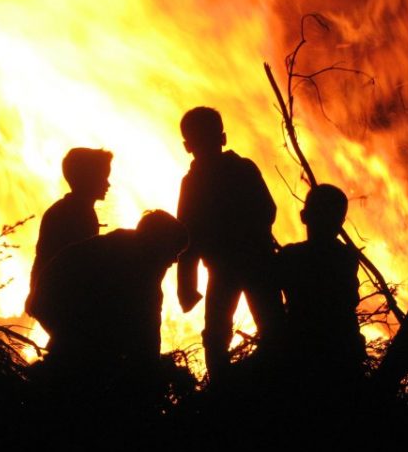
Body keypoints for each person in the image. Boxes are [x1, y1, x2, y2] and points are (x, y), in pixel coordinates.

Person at [176, 106, 284, 380]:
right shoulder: (242, 170)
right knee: (271, 329)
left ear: (188, 146)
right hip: (253, 263)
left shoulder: (193, 183)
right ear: (223, 137)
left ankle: (224, 387)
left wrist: (187, 286)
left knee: (218, 336)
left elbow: (187, 237)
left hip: (229, 267)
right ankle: (271, 380)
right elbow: (268, 210)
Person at [32, 210, 188, 375]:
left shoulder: (123, 249)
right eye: (174, 251)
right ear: (160, 242)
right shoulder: (134, 267)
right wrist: (150, 371)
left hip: (55, 308)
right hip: (61, 311)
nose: (175, 260)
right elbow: (147, 328)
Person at [277, 184, 366, 380]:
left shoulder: (290, 257)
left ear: (304, 216)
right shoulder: (347, 257)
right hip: (343, 355)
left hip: (300, 353)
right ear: (341, 222)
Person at [25, 147, 112, 329]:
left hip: (50, 298)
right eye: (103, 177)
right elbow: (74, 265)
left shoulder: (71, 210)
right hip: (60, 300)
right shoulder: (76, 215)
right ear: (88, 179)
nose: (108, 184)